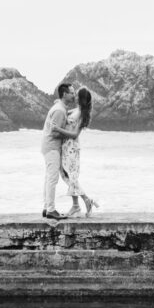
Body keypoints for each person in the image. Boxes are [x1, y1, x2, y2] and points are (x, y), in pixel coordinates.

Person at [40, 83, 77, 220]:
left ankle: (46, 208)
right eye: (72, 93)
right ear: (64, 94)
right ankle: (50, 210)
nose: (74, 95)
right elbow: (54, 133)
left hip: (49, 147)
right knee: (52, 179)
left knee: (49, 178)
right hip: (52, 147)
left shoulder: (61, 108)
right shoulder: (59, 110)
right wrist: (70, 134)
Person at [62, 87, 99, 217]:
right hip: (66, 146)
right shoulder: (77, 110)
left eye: (77, 95)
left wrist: (58, 130)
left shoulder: (82, 114)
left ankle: (80, 204)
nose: (75, 96)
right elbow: (65, 113)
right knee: (66, 175)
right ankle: (80, 204)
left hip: (72, 147)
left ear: (81, 98)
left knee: (71, 177)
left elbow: (74, 134)